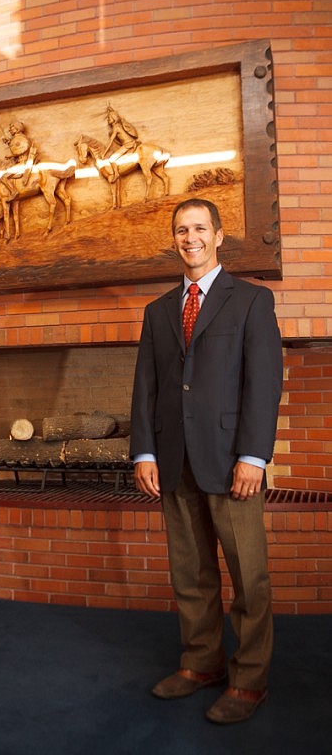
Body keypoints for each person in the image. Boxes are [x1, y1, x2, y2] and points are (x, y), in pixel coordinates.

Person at [130, 198, 282, 724]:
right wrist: (145, 450)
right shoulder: (157, 311)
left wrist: (253, 456)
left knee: (249, 578)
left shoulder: (251, 301)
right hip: (173, 462)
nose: (189, 237)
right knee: (190, 575)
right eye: (180, 229)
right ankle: (202, 664)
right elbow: (146, 385)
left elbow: (263, 383)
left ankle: (248, 679)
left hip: (232, 463)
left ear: (219, 236)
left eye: (199, 228)